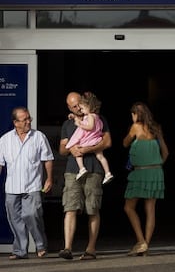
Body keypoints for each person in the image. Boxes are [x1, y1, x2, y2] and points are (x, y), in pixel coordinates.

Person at [58, 91, 112, 260]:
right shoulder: (67, 124)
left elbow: (108, 142)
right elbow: (61, 150)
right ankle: (67, 248)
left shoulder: (98, 118)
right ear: (69, 107)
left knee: (93, 209)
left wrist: (87, 149)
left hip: (94, 169)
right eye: (73, 106)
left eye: (78, 104)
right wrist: (70, 149)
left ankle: (91, 249)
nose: (77, 108)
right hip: (72, 171)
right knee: (70, 207)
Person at [0, 107, 54, 260]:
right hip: (12, 187)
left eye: (29, 118)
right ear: (15, 122)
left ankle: (41, 245)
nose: (29, 121)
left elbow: (48, 158)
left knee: (32, 215)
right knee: (15, 219)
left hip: (32, 185)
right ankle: (20, 251)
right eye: (25, 120)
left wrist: (49, 178)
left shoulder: (39, 137)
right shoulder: (5, 140)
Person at [123, 101, 169, 256]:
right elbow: (166, 153)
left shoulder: (135, 127)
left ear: (136, 114)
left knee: (129, 207)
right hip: (156, 172)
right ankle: (146, 245)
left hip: (140, 172)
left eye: (133, 114)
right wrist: (156, 164)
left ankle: (141, 241)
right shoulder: (156, 128)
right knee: (150, 210)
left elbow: (125, 143)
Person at [65, 92, 113, 184]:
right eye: (76, 107)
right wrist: (74, 117)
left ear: (89, 107)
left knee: (78, 151)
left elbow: (90, 126)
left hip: (90, 140)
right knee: (100, 156)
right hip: (96, 139)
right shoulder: (97, 117)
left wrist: (80, 125)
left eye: (82, 108)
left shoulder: (90, 116)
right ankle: (108, 173)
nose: (80, 110)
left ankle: (82, 168)